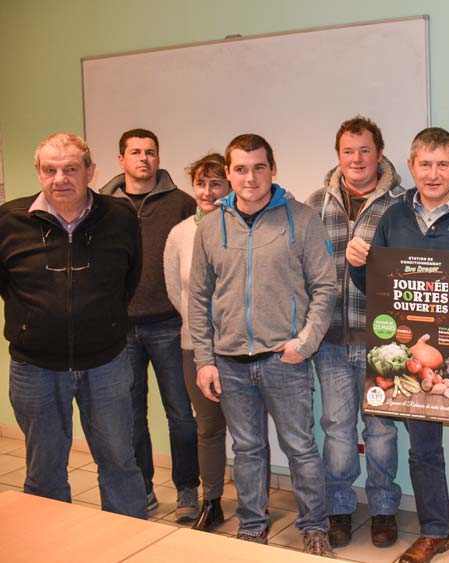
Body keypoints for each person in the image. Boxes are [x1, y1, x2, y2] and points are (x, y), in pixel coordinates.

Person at [348, 127, 449, 563]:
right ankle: (434, 532)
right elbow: (377, 288)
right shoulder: (394, 218)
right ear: (411, 166)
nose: (433, 173)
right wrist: (358, 266)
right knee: (423, 452)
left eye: (442, 164)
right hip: (410, 362)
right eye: (425, 164)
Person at [188, 134, 337, 555]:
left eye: (258, 167)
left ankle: (314, 527)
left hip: (283, 359)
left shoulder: (302, 219)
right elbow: (198, 297)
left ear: (273, 169)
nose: (249, 177)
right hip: (230, 361)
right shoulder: (211, 226)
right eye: (240, 168)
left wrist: (304, 344)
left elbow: (325, 287)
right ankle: (252, 525)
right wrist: (205, 359)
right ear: (229, 173)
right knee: (248, 449)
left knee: (300, 447)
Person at [0, 133, 146, 518]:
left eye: (70, 169)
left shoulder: (120, 217)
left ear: (90, 171)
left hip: (106, 364)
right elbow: (7, 286)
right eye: (50, 170)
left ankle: (128, 544)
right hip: (34, 368)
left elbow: (129, 278)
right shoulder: (9, 221)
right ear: (38, 172)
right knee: (44, 471)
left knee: (119, 462)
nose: (59, 178)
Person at [305, 116, 404, 548]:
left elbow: (410, 270)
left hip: (382, 339)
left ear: (379, 154)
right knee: (337, 429)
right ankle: (340, 508)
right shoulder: (314, 203)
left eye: (365, 150)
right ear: (338, 156)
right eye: (348, 151)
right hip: (330, 340)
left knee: (381, 431)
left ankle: (384, 509)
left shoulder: (402, 204)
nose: (357, 159)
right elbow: (304, 268)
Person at [100, 128, 199, 519]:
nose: (144, 159)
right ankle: (142, 488)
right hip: (119, 329)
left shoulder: (182, 204)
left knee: (180, 413)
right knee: (130, 414)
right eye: (136, 152)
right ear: (121, 159)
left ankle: (188, 489)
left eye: (151, 152)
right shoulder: (101, 206)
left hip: (170, 325)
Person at [163, 153, 232, 531]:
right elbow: (177, 291)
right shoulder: (179, 234)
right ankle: (213, 501)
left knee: (250, 428)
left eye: (216, 183)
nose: (207, 192)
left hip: (240, 347)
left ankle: (258, 504)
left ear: (230, 186)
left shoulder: (240, 227)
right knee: (207, 428)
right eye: (201, 184)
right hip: (196, 345)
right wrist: (200, 326)